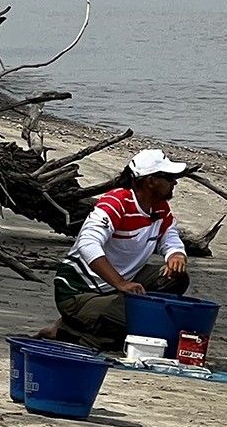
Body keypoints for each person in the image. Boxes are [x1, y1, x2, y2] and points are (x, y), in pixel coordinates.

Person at [48, 148, 192, 350]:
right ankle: (65, 331)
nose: (174, 182)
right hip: (79, 292)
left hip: (122, 282)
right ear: (150, 181)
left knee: (175, 278)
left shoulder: (159, 208)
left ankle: (110, 317)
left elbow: (169, 235)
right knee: (135, 323)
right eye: (169, 178)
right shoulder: (115, 203)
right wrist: (121, 283)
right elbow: (87, 244)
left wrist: (175, 253)